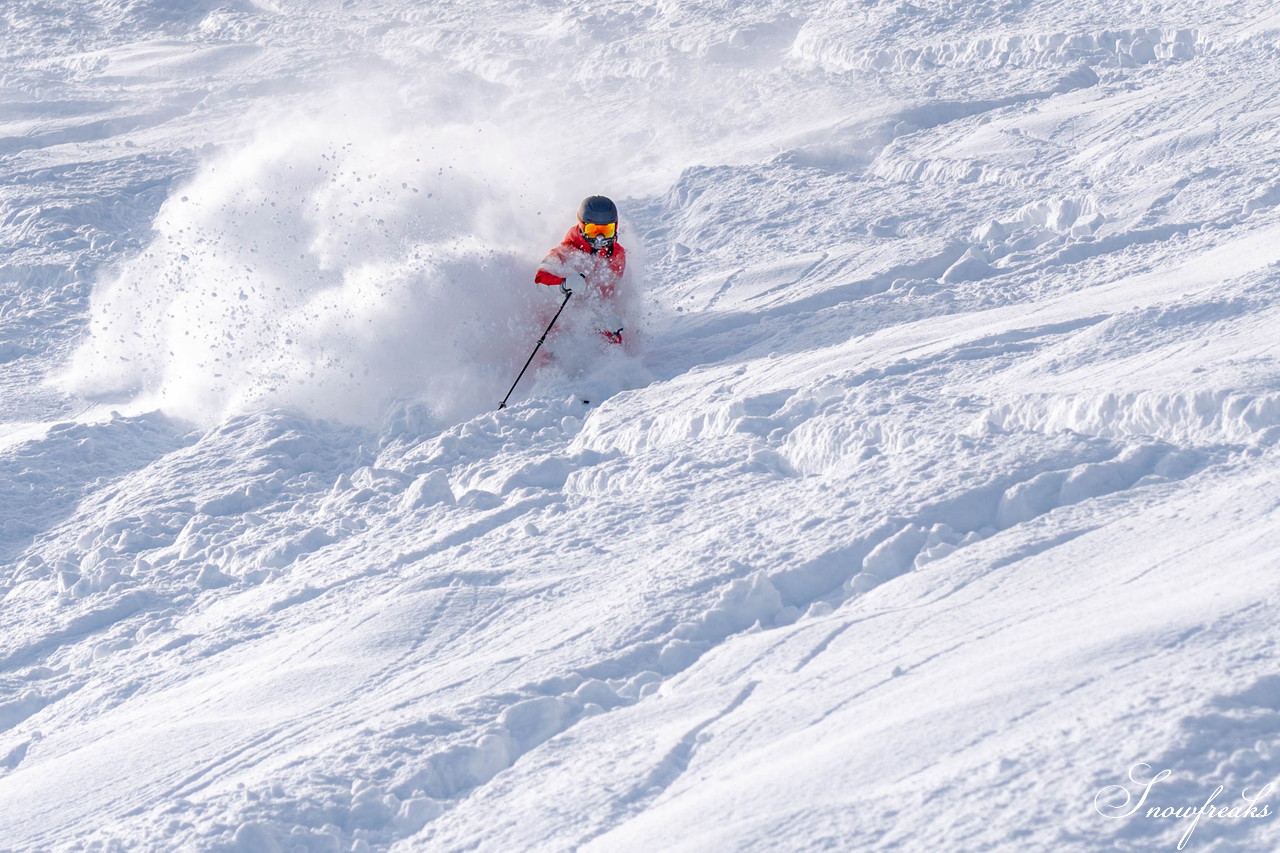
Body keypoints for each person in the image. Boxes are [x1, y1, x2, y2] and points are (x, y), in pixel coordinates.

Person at [534, 195, 628, 344]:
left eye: (607, 230)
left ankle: (616, 363)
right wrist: (563, 284)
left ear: (615, 227)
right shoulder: (565, 252)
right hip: (562, 319)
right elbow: (539, 281)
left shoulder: (617, 254)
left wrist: (607, 315)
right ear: (582, 226)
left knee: (612, 335)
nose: (600, 238)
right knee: (558, 339)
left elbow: (610, 290)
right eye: (593, 230)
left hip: (596, 316)